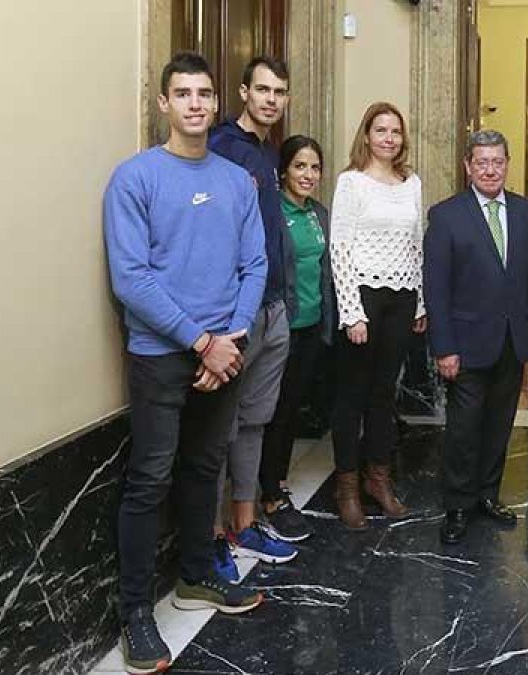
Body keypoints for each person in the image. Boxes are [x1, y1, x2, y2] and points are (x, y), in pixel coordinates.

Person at [104, 51, 265, 674]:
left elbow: (254, 265)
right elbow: (132, 279)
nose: (196, 103)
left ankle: (197, 575)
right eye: (184, 93)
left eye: (205, 93)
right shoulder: (134, 178)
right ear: (164, 104)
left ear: (216, 104)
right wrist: (203, 342)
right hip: (162, 356)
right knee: (149, 480)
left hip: (225, 351)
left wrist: (231, 340)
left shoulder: (235, 180)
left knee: (204, 468)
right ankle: (135, 613)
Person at [207, 56, 298, 571]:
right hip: (233, 315)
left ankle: (245, 524)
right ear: (243, 92)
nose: (270, 99)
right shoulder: (222, 147)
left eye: (279, 92)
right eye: (261, 89)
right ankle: (215, 534)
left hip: (271, 309)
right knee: (220, 428)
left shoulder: (267, 153)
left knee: (255, 425)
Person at [424, 129, 528, 545]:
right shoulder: (447, 215)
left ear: (507, 164)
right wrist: (444, 347)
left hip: (511, 341)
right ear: (468, 166)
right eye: (482, 162)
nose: (491, 169)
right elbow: (436, 287)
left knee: (499, 426)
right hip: (465, 346)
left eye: (498, 162)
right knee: (464, 429)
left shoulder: (525, 212)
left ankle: (487, 496)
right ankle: (457, 505)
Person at [329, 102, 427, 527]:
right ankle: (347, 487)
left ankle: (379, 479)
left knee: (384, 395)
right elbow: (340, 249)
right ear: (366, 135)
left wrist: (420, 301)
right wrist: (352, 312)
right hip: (363, 298)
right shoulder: (350, 183)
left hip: (402, 298)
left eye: (396, 131)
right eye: (381, 130)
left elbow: (416, 245)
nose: (389, 138)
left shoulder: (412, 183)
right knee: (351, 396)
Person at [257, 135, 333, 544]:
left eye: (315, 167)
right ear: (284, 169)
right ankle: (267, 495)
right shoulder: (273, 212)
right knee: (273, 412)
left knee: (290, 409)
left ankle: (275, 482)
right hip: (277, 326)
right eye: (300, 166)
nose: (307, 175)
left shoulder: (319, 214)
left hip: (310, 327)